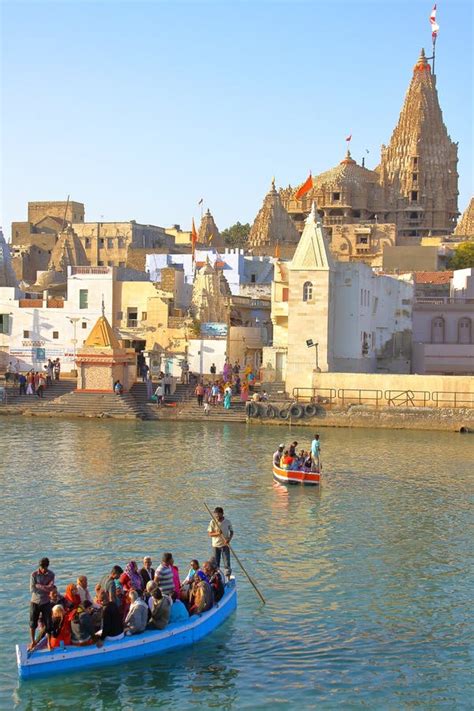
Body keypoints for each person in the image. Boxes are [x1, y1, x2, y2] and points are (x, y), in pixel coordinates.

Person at [29, 557, 55, 651]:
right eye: (42, 567)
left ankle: (48, 642)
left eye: (45, 567)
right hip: (35, 602)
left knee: (49, 624)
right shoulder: (34, 575)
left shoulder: (51, 574)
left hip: (46, 602)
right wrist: (45, 587)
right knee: (33, 623)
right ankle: (33, 642)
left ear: (47, 566)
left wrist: (39, 585)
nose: (43, 569)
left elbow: (51, 588)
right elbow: (32, 589)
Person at [207, 507, 233, 579]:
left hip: (225, 545)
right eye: (216, 515)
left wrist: (229, 539)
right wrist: (217, 533)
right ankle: (217, 579)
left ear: (222, 514)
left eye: (218, 515)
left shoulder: (227, 522)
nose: (217, 517)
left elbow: (231, 532)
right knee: (216, 564)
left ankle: (228, 578)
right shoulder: (212, 522)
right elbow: (209, 534)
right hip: (215, 546)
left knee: (227, 563)